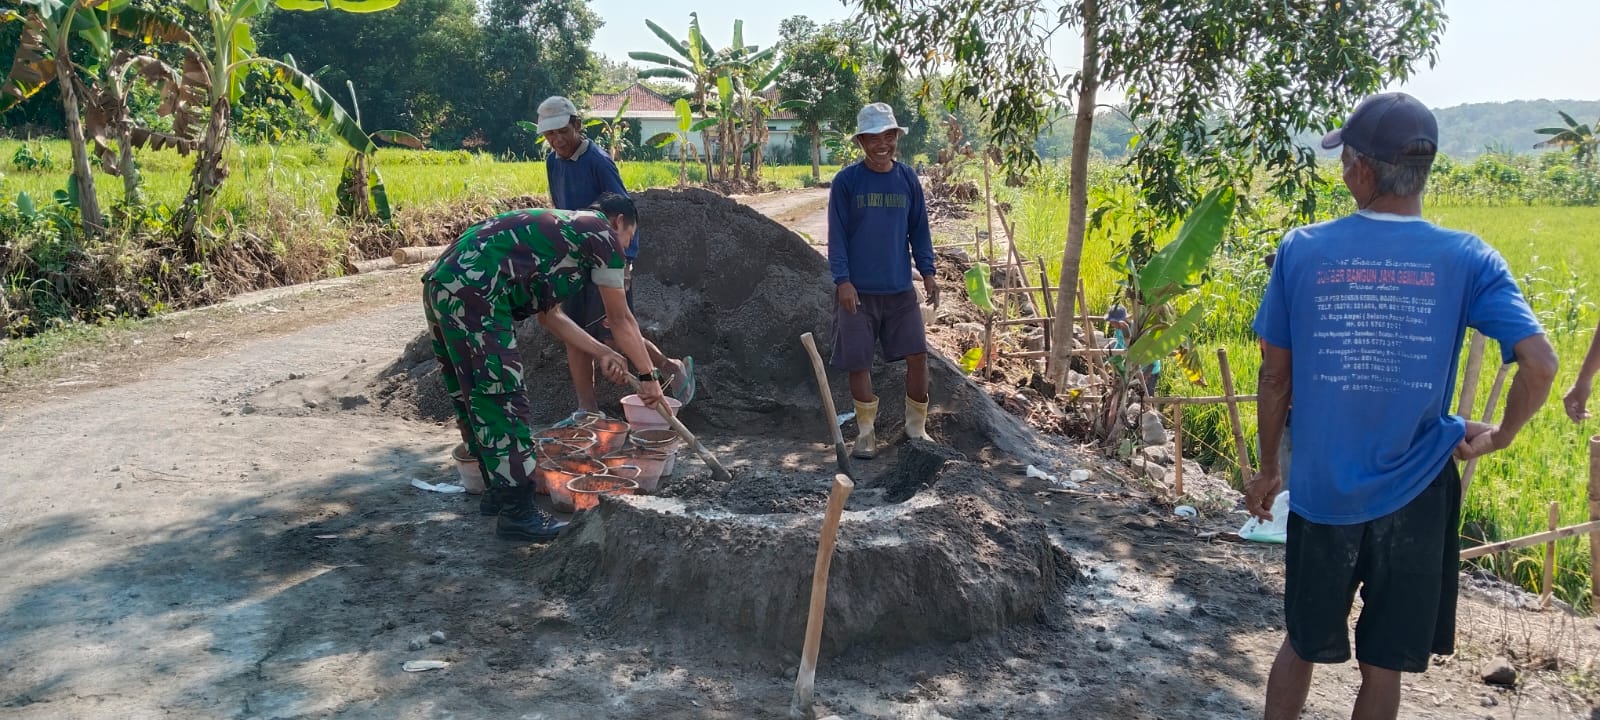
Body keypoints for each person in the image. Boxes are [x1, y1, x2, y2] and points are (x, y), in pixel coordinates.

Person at [1248, 92, 1558, 720]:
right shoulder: (1469, 258)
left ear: (1362, 168)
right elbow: (1542, 363)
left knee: (1300, 644)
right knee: (1383, 667)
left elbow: (1275, 378)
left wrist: (1267, 470)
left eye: (1346, 160)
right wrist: (1500, 436)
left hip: (1324, 494)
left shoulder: (1303, 249)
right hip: (1418, 497)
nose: (1343, 171)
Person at [422, 193, 667, 542]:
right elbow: (621, 319)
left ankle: (498, 492)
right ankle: (518, 513)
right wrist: (648, 377)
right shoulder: (602, 234)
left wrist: (602, 352)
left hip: (444, 284)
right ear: (618, 222)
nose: (626, 249)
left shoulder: (561, 235)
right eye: (630, 236)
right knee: (501, 396)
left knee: (472, 394)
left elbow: (551, 317)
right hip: (477, 292)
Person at [535, 95, 694, 419]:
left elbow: (624, 212)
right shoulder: (553, 162)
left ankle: (669, 367)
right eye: (549, 135)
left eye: (562, 131)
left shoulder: (599, 162)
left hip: (607, 259)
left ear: (577, 125)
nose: (557, 140)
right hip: (574, 259)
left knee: (614, 332)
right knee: (575, 331)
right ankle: (587, 409)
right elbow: (559, 209)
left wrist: (625, 262)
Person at [827, 102, 939, 459]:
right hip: (858, 293)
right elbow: (838, 236)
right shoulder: (847, 182)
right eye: (872, 138)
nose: (881, 144)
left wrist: (929, 272)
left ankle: (916, 428)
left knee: (918, 355)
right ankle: (865, 434)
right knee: (859, 362)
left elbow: (919, 231)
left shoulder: (907, 179)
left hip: (899, 289)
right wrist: (842, 280)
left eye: (887, 136)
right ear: (861, 142)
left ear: (896, 138)